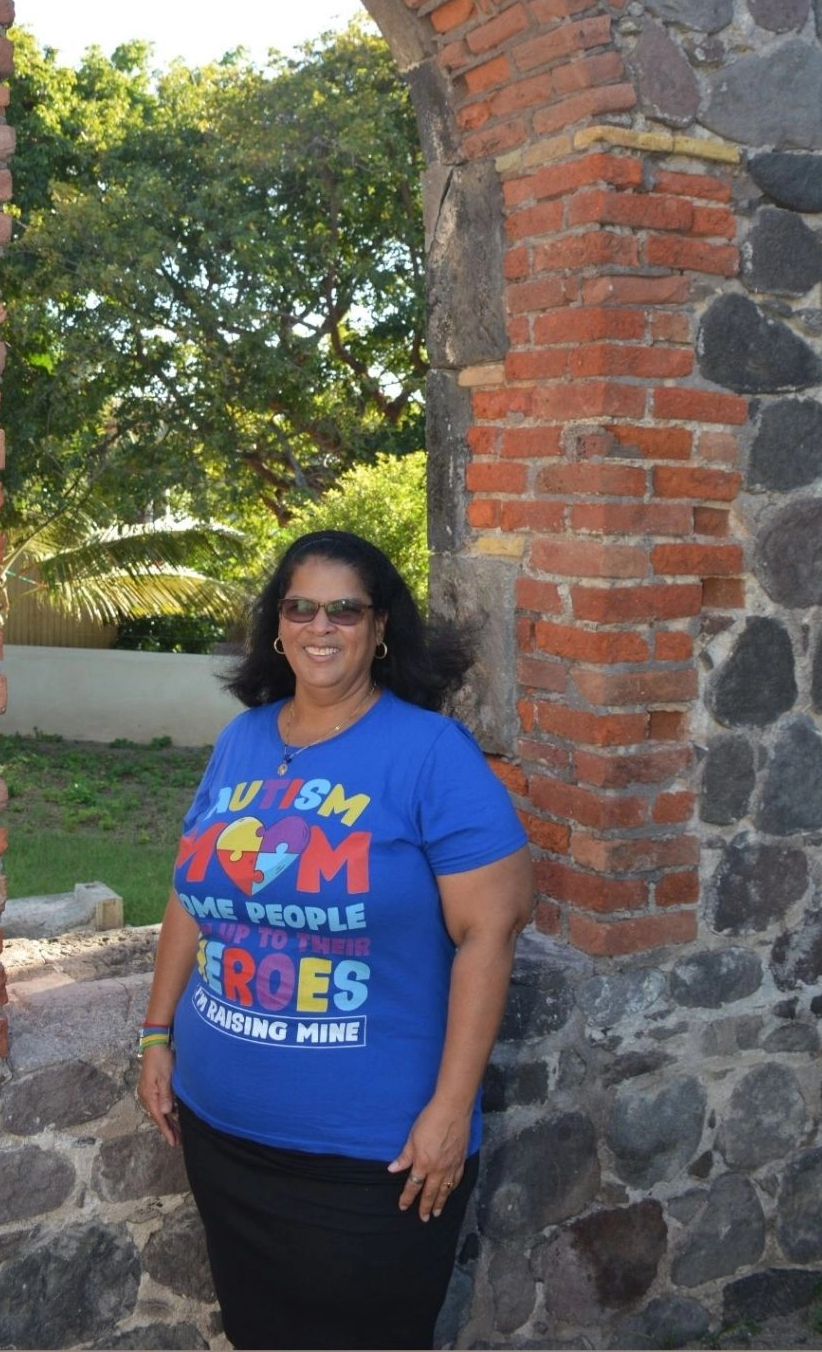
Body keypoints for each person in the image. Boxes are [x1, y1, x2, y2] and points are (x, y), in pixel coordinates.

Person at [135, 529, 534, 1350]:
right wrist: (155, 1030)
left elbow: (490, 930)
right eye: (301, 607)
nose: (323, 626)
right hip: (224, 1134)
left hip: (372, 1158)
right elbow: (192, 890)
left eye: (345, 609)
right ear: (276, 627)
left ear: (379, 627)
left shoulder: (430, 753)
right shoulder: (243, 741)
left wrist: (450, 1111)